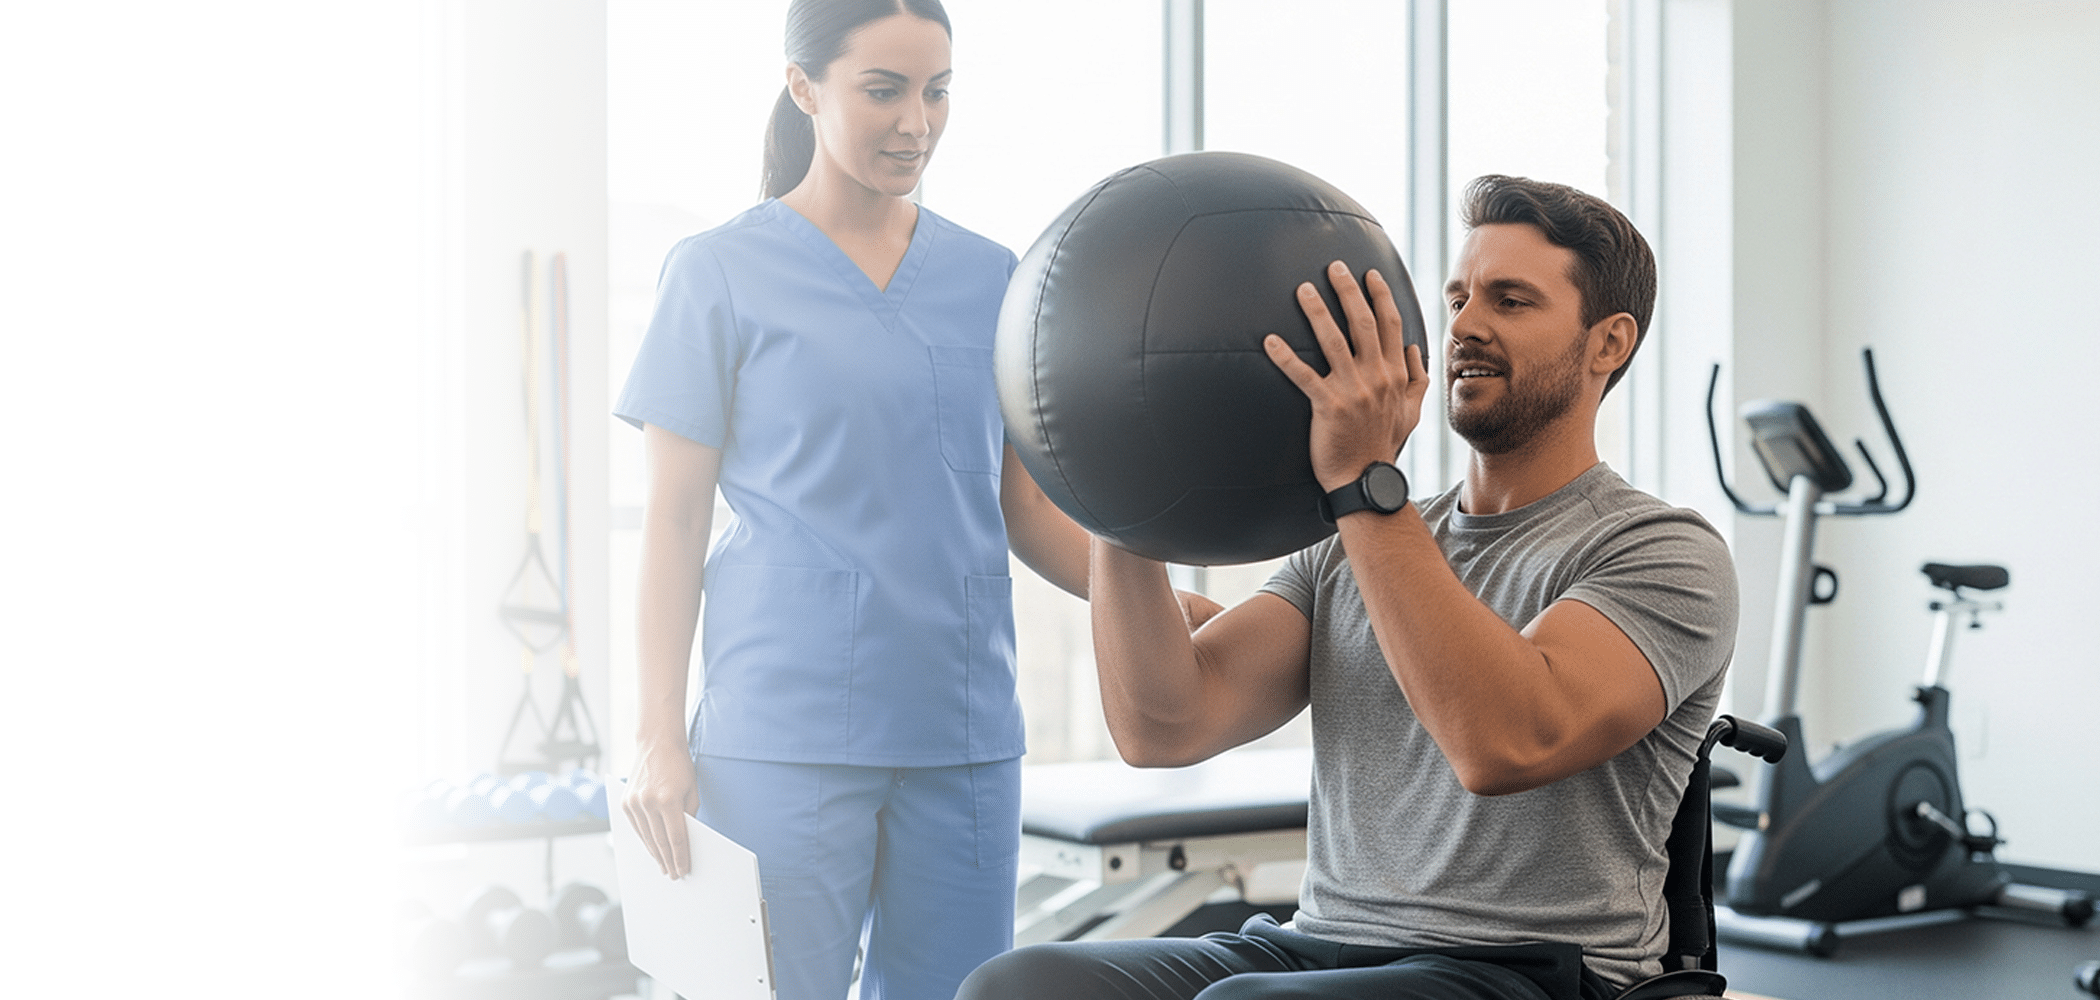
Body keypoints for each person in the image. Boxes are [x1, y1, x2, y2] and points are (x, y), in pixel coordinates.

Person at [958, 175, 1740, 1000]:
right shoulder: (1350, 546)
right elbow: (1168, 722)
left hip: (1526, 970)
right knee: (1020, 985)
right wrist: (1120, 496)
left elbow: (1507, 740)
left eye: (1511, 302)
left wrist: (1365, 485)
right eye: (1459, 297)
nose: (1465, 326)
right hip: (1316, 947)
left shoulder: (1659, 550)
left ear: (1608, 343)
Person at [611, 2, 1091, 998]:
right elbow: (674, 521)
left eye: (937, 90)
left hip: (960, 735)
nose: (915, 120)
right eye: (884, 90)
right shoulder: (716, 274)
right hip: (780, 735)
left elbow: (1028, 512)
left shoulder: (992, 278)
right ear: (804, 86)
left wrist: (1166, 609)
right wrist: (658, 732)